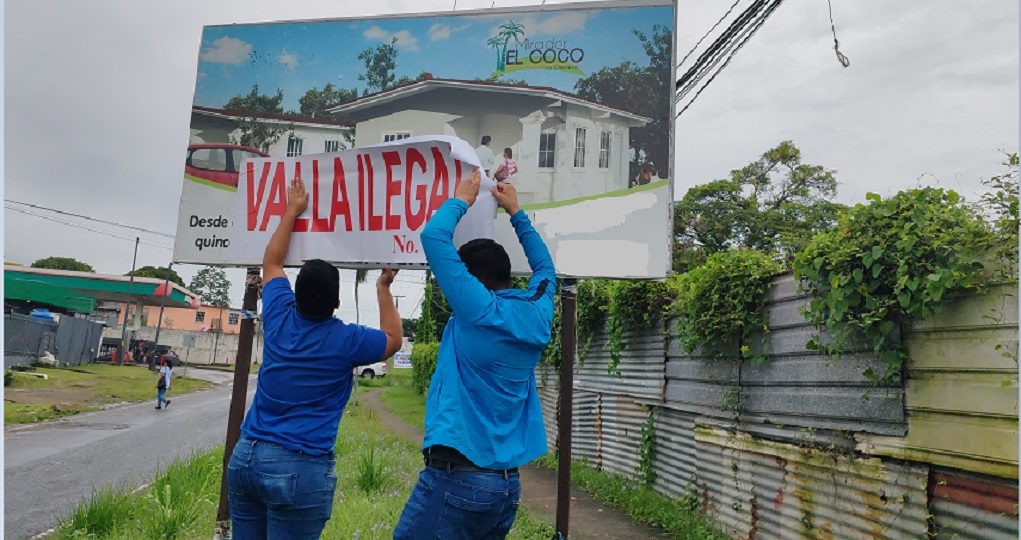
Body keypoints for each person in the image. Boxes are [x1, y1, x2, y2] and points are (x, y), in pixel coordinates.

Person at [227, 176, 403, 539]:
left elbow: (272, 262)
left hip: (246, 456)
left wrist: (293, 208)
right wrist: (383, 287)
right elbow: (393, 339)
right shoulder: (346, 340)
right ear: (336, 303)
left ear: (295, 293)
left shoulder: (278, 312)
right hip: (298, 466)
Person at [394, 170, 556, 539]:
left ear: (473, 281)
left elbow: (434, 236)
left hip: (458, 481)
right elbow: (545, 269)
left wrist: (462, 200)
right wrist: (516, 212)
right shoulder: (539, 309)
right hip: (503, 488)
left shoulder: (479, 309)